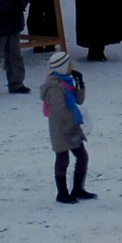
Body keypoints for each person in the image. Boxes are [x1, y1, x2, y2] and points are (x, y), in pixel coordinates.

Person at [41, 51, 95, 204]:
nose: (72, 67)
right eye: (69, 64)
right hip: (61, 128)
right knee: (62, 159)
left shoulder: (67, 81)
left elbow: (79, 100)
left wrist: (80, 85)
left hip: (72, 126)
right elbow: (59, 111)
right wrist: (71, 124)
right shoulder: (54, 87)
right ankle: (62, 193)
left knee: (82, 157)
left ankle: (77, 188)